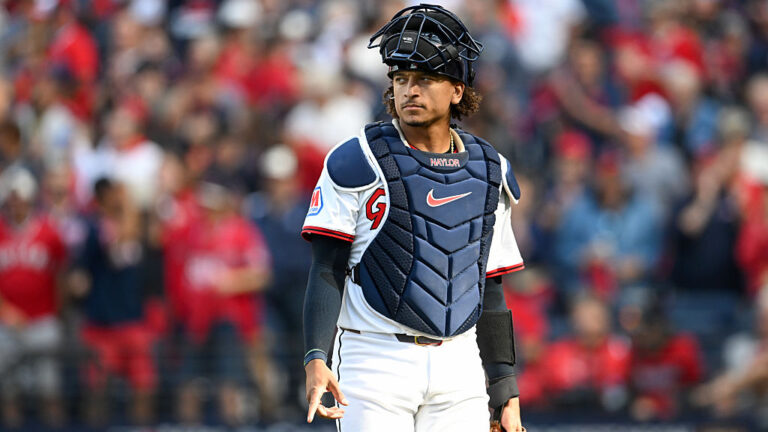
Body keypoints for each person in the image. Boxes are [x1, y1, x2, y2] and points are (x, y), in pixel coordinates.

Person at [301, 5, 525, 431]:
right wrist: (316, 355)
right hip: (375, 360)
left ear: (457, 90)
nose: (409, 90)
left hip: (459, 363)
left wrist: (504, 389)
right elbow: (326, 267)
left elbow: (490, 287)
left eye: (424, 78)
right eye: (400, 79)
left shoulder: (491, 169)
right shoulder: (357, 159)